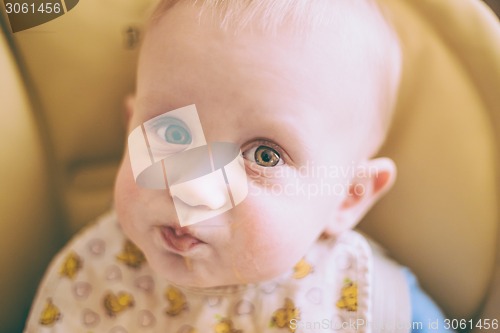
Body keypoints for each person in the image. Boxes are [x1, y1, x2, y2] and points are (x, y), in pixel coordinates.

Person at [24, 0, 452, 332]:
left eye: (264, 156)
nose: (193, 187)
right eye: (172, 134)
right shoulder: (93, 277)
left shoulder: (366, 300)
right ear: (129, 128)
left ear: (347, 195)